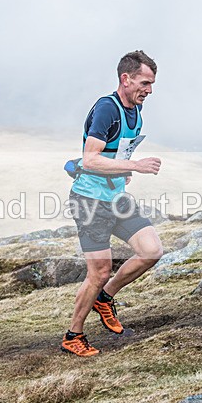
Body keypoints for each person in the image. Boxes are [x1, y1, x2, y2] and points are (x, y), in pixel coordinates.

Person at [61, 51, 164, 356]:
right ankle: (73, 336)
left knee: (151, 250)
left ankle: (105, 298)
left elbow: (112, 156)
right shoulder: (107, 109)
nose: (149, 90)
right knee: (99, 271)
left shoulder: (136, 111)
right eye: (145, 82)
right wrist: (135, 166)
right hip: (89, 201)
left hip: (115, 198)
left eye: (152, 84)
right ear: (126, 78)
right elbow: (90, 159)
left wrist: (122, 171)